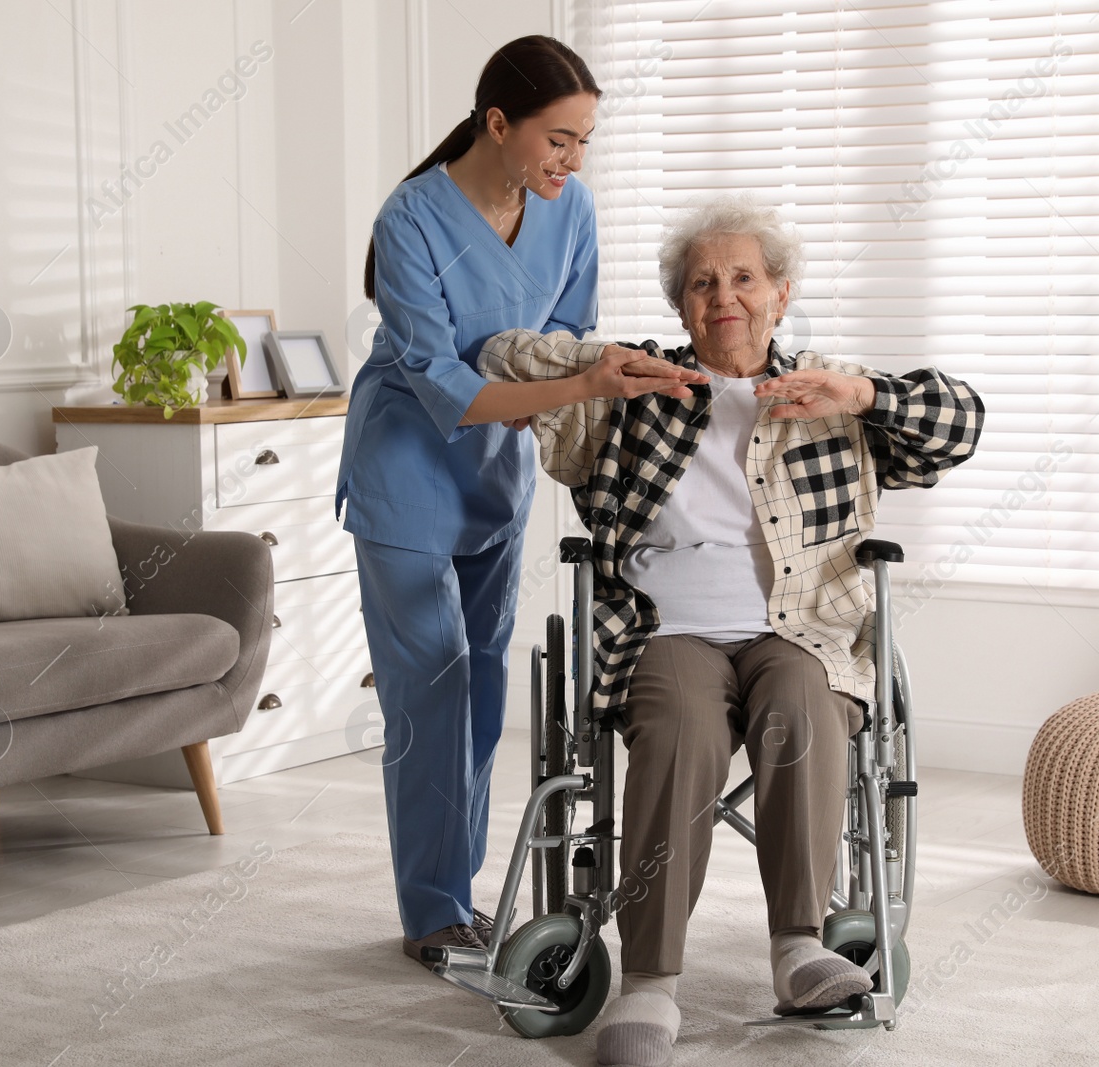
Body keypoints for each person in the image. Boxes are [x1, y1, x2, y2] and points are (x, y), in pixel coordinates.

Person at [481, 194, 984, 1065]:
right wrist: (604, 366)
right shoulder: (634, 391)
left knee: (801, 708)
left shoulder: (825, 389)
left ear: (781, 294)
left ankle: (798, 946)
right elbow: (500, 353)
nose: (725, 296)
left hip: (802, 632)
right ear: (682, 304)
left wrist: (860, 393)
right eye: (704, 282)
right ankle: (650, 983)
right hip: (662, 629)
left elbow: (960, 421)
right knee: (677, 729)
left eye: (745, 278)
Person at [335, 35, 705, 968]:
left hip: (495, 472)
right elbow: (445, 386)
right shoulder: (411, 219)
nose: (573, 161)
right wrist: (586, 386)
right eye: (558, 139)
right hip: (407, 467)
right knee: (432, 688)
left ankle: (457, 896)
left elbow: (567, 340)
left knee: (487, 683)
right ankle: (433, 911)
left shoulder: (568, 206)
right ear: (497, 124)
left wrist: (615, 374)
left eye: (583, 142)